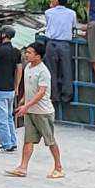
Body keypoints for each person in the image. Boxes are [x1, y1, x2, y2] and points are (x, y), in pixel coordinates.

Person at [9, 41, 65, 179]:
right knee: (28, 140)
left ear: (38, 56)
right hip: (30, 111)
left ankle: (59, 167)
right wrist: (23, 101)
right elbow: (29, 88)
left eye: (29, 52)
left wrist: (26, 106)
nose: (26, 55)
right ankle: (23, 167)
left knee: (50, 141)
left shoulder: (43, 71)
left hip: (43, 112)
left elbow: (41, 93)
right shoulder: (28, 67)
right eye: (26, 52)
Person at [41, 0, 78, 106]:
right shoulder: (72, 13)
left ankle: (54, 95)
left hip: (51, 44)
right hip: (65, 44)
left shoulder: (48, 12)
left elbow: (48, 25)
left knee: (51, 70)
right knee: (67, 70)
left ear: (56, 0)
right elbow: (73, 27)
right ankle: (67, 96)